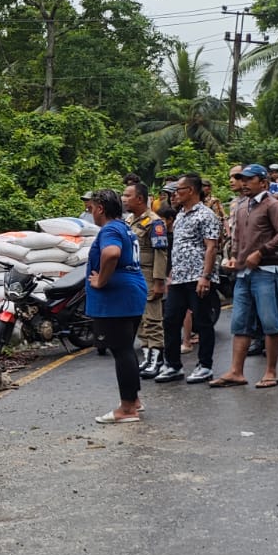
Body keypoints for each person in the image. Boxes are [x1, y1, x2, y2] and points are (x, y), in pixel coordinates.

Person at [210, 164, 278, 390]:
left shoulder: (272, 205)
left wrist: (261, 252)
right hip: (243, 272)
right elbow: (237, 239)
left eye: (249, 179)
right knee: (240, 323)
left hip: (267, 271)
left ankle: (271, 372)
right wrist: (233, 258)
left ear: (263, 183)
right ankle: (236, 371)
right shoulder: (241, 206)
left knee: (269, 322)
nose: (243, 183)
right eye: (241, 179)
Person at [84, 189, 149, 424]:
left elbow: (111, 253)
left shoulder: (110, 229)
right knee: (126, 349)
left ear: (100, 208)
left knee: (121, 351)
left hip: (118, 299)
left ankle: (127, 408)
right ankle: (135, 400)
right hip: (132, 294)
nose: (89, 212)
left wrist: (100, 279)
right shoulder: (123, 227)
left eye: (90, 207)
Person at [156, 172, 221, 385]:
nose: (174, 194)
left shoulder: (206, 215)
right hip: (179, 278)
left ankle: (205, 366)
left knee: (202, 321)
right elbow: (179, 246)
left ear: (191, 191)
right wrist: (172, 273)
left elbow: (211, 247)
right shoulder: (181, 215)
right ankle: (173, 364)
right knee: (170, 320)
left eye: (178, 190)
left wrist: (205, 276)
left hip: (198, 277)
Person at [123, 181, 169, 377]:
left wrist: (159, 281)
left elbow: (161, 253)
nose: (124, 199)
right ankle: (147, 355)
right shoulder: (128, 221)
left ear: (139, 199)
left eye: (127, 195)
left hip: (149, 275)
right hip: (133, 276)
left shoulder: (154, 222)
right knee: (140, 319)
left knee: (152, 318)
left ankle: (157, 358)